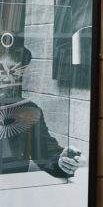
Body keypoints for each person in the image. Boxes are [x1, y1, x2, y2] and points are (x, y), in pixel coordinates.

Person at [0, 41, 81, 179]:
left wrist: (63, 163)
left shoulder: (29, 110)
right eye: (1, 69)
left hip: (13, 192)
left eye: (13, 71)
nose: (7, 78)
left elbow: (47, 155)